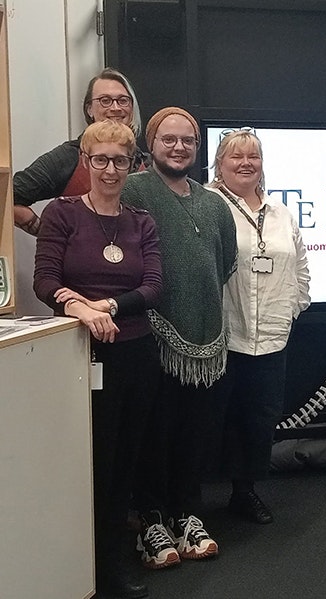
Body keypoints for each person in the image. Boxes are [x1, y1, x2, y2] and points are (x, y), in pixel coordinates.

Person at [33, 120, 162, 599]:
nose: (110, 169)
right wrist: (78, 306)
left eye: (120, 160)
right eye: (100, 159)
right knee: (88, 465)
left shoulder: (140, 221)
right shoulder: (62, 214)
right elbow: (42, 281)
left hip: (134, 355)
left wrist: (103, 306)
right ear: (85, 162)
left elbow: (152, 287)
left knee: (124, 464)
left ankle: (111, 562)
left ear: (132, 165)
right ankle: (79, 562)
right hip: (75, 357)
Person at [122, 107, 237, 566]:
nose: (179, 147)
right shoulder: (134, 190)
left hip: (208, 340)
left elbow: (224, 260)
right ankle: (151, 521)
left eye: (187, 140)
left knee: (196, 433)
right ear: (151, 144)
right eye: (168, 139)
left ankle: (187, 515)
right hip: (152, 337)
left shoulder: (213, 202)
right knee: (155, 431)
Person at [207, 129, 310, 523]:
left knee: (259, 419)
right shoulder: (209, 204)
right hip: (223, 335)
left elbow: (300, 267)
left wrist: (292, 309)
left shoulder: (281, 213)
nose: (246, 163)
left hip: (271, 336)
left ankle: (244, 491)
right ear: (219, 163)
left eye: (253, 156)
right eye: (236, 156)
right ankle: (189, 503)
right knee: (216, 418)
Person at [13, 68, 146, 236]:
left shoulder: (145, 163)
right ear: (89, 109)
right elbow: (7, 196)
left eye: (123, 101)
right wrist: (48, 234)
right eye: (105, 100)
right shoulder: (69, 157)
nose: (116, 107)